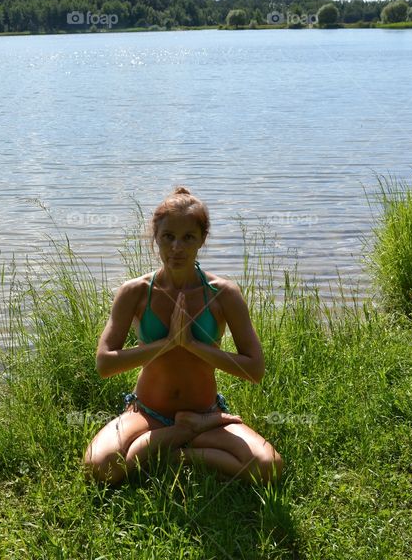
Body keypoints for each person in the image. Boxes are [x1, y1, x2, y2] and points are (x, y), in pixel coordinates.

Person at [82, 187, 283, 485]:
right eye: (168, 237)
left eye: (188, 237)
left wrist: (192, 345)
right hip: (146, 412)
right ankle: (179, 434)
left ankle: (174, 452)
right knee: (99, 468)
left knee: (269, 467)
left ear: (202, 239)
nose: (177, 247)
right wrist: (166, 344)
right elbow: (105, 363)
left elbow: (254, 369)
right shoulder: (134, 292)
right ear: (156, 237)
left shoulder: (223, 294)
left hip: (205, 413)